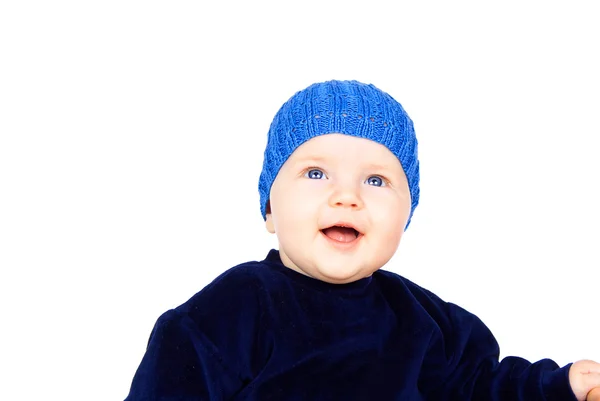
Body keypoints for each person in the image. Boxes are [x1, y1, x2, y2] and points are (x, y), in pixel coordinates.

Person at [124, 80, 600, 400]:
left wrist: (558, 385)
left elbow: (479, 384)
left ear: (406, 216)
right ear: (270, 207)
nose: (346, 196)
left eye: (375, 181)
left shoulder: (419, 318)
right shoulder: (233, 310)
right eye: (316, 173)